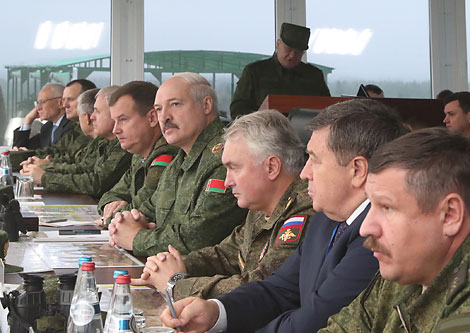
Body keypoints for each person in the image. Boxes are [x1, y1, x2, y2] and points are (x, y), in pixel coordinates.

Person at [160, 99, 408, 332]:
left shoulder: (377, 236)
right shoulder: (327, 218)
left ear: (357, 170)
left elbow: (314, 321)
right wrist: (216, 312)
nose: (304, 173)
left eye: (315, 160)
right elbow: (279, 290)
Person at [132, 110, 314, 300]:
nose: (227, 182)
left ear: (271, 167)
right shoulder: (261, 206)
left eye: (234, 168)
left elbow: (260, 288)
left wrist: (177, 284)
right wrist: (174, 265)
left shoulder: (304, 211)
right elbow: (225, 255)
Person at [319, 127, 470, 332]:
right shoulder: (403, 271)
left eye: (387, 207)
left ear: (450, 215)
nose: (365, 228)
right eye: (371, 205)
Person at [108, 72, 247, 256]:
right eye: (158, 109)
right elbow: (147, 210)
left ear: (206, 105)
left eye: (175, 104)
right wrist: (122, 222)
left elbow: (199, 238)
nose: (164, 117)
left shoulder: (224, 158)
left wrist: (136, 239)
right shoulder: (178, 162)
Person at [22, 86, 132, 200]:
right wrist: (44, 167)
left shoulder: (124, 146)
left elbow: (97, 183)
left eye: (97, 111)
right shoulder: (102, 141)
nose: (92, 116)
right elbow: (82, 168)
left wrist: (45, 176)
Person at [97, 81, 179, 225]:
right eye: (114, 121)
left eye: (123, 120)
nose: (115, 129)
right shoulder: (139, 155)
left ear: (152, 118)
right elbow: (111, 194)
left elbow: (142, 209)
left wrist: (110, 216)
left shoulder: (167, 154)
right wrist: (109, 205)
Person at [230, 22, 330, 119]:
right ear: (278, 44)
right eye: (288, 49)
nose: (292, 55)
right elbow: (237, 110)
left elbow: (329, 110)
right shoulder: (254, 72)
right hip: (264, 133)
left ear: (303, 53)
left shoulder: (314, 76)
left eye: (298, 52)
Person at [20, 79, 97, 168]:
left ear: (86, 101)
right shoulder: (51, 127)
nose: (65, 105)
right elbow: (55, 152)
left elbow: (83, 170)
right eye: (64, 100)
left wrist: (46, 166)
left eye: (70, 99)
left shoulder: (74, 128)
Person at [13, 83, 73, 149]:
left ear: (60, 103)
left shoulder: (72, 126)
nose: (38, 108)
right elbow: (20, 150)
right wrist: (28, 120)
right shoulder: (47, 128)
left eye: (42, 102)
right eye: (38, 103)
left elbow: (60, 155)